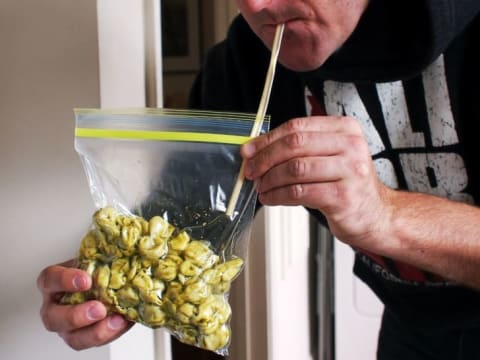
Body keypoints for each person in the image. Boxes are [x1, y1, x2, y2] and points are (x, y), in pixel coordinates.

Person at [37, 0, 480, 358]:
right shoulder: (247, 60)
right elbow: (183, 227)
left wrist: (385, 214)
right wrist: (114, 281)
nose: (256, 5)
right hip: (409, 326)